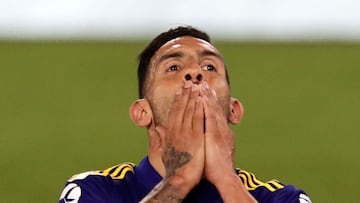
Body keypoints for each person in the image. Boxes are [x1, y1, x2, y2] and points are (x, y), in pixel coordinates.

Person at [59, 26, 312, 203]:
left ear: (233, 110)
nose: (194, 73)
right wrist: (178, 181)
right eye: (174, 67)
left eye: (209, 66)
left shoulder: (280, 198)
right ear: (142, 112)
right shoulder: (96, 191)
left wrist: (227, 181)